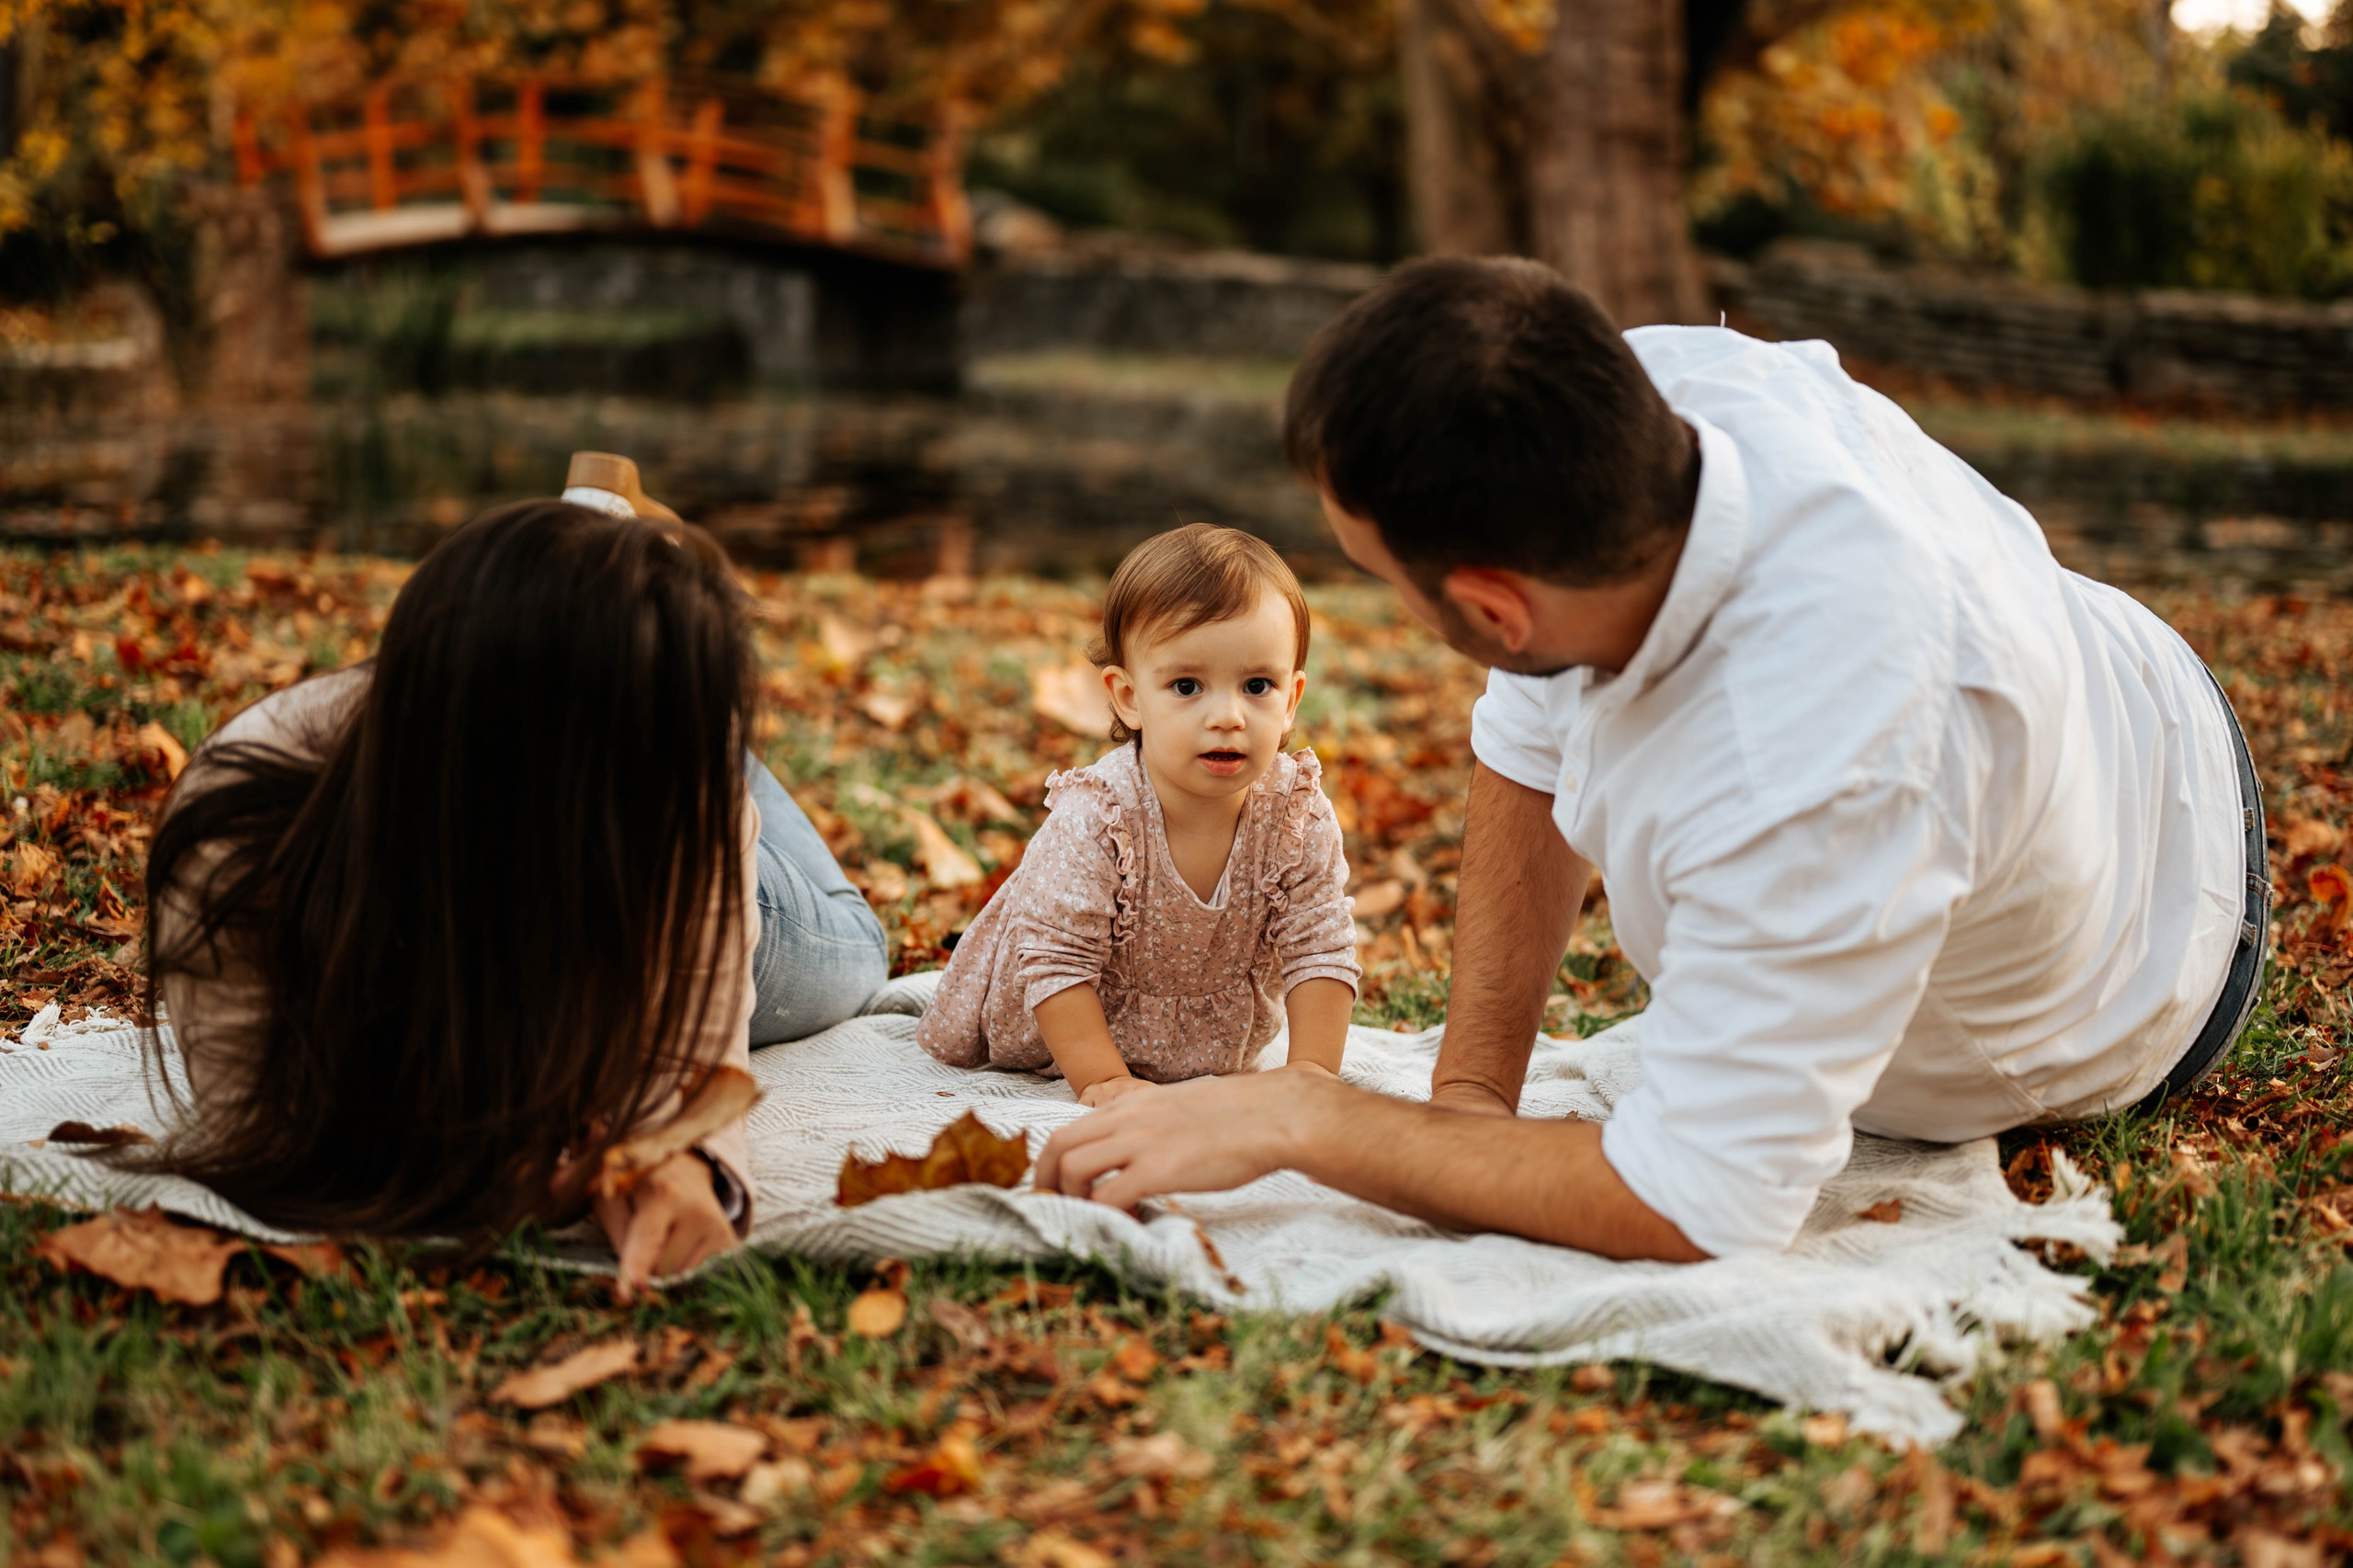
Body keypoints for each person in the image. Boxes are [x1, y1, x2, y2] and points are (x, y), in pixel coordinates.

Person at [1034, 257, 2265, 1263]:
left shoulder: (1826, 754)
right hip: (2128, 683)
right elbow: (1529, 723)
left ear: (1491, 605)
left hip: (2153, 969)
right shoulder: (1635, 405)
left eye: (1378, 575)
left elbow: (1703, 1201)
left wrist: (1314, 1117)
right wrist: (1467, 1098)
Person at [134, 490, 888, 1295]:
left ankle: (629, 597)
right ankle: (617, 593)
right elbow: (285, 1134)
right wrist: (571, 1166)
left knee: (859, 953)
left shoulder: (688, 825)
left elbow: (694, 1053)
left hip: (632, 824)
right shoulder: (236, 844)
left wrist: (677, 1159)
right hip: (571, 780)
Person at [919, 523, 1360, 1102]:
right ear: (1129, 698)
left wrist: (1315, 1071)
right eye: (1186, 686)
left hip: (1212, 1047)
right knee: (1063, 990)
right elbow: (1055, 960)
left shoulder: (1295, 814)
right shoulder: (1099, 815)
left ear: (1291, 700)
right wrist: (1105, 1082)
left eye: (1257, 685)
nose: (1227, 716)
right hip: (1065, 1028)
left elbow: (1320, 940)